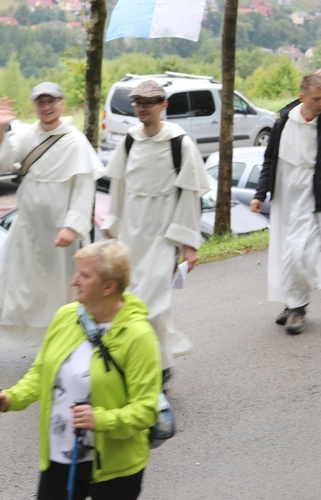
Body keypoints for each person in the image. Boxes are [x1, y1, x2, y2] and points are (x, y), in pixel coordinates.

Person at [0, 239, 160, 499]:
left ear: (108, 286)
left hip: (115, 470)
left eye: (85, 275)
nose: (74, 280)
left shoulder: (138, 336)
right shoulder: (66, 317)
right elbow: (42, 373)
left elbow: (146, 410)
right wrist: (10, 398)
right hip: (60, 457)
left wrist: (101, 420)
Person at [0, 82, 104, 362]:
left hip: (60, 233)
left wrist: (72, 226)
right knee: (6, 272)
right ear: (34, 105)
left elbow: (85, 187)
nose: (46, 107)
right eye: (40, 102)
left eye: (51, 101)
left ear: (61, 103)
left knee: (64, 288)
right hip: (27, 228)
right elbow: (1, 159)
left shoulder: (75, 141)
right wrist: (0, 127)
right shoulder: (27, 134)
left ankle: (75, 341)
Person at [101, 80, 210, 383]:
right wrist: (113, 225)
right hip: (131, 237)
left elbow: (190, 194)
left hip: (163, 237)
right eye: (137, 102)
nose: (142, 108)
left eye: (149, 102)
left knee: (153, 305)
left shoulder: (180, 143)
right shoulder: (130, 140)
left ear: (164, 105)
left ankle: (157, 368)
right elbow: (119, 185)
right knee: (130, 302)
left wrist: (189, 245)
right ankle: (155, 366)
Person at [250, 74, 321, 334]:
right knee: (285, 253)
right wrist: (260, 194)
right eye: (316, 99)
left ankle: (298, 308)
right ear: (302, 97)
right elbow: (269, 160)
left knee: (302, 254)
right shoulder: (282, 123)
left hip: (315, 201)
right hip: (285, 198)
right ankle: (293, 305)